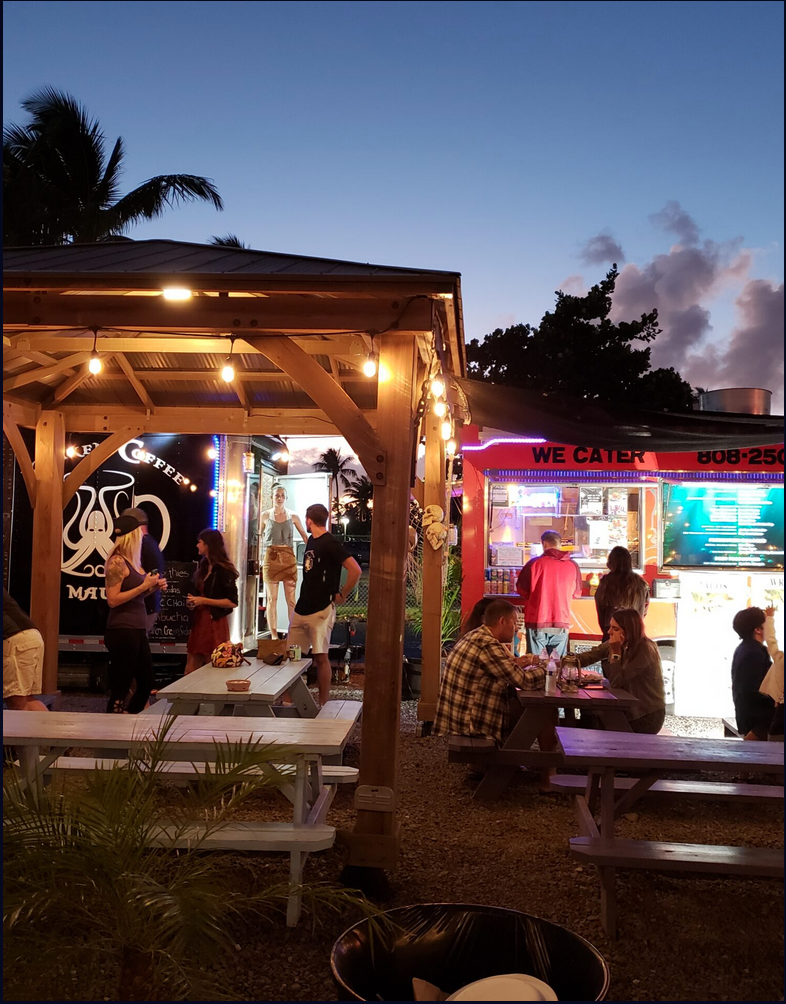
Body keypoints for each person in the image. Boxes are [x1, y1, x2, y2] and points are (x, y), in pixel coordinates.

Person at [434, 599, 556, 791]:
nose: (516, 629)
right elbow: (523, 681)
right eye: (514, 623)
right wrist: (550, 669)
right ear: (502, 621)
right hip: (472, 724)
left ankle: (495, 764)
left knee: (532, 709)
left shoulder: (478, 636)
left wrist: (519, 664)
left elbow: (504, 671)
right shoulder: (487, 645)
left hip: (460, 718)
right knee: (544, 712)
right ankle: (548, 776)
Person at [287, 503, 361, 705]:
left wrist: (342, 594)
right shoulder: (311, 539)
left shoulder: (331, 543)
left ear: (309, 520)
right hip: (302, 607)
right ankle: (287, 701)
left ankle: (323, 702)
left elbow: (355, 569)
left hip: (321, 609)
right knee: (292, 655)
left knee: (321, 656)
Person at [104, 514, 166, 713]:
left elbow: (136, 595)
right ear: (132, 536)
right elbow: (113, 599)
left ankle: (129, 718)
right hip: (122, 629)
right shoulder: (117, 562)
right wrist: (144, 586)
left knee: (147, 682)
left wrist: (153, 587)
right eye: (139, 533)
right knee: (121, 686)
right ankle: (111, 727)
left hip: (137, 628)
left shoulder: (134, 562)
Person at [577, 608, 666, 734]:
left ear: (629, 630)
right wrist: (559, 662)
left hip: (646, 715)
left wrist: (616, 653)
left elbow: (617, 681)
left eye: (615, 629)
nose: (609, 632)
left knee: (597, 715)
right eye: (610, 627)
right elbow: (591, 656)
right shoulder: (618, 642)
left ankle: (604, 750)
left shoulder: (645, 650)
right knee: (587, 711)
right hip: (627, 707)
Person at [516, 530, 582, 658]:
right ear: (559, 544)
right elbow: (577, 594)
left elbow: (522, 591)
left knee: (535, 665)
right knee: (557, 667)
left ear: (544, 544)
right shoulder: (572, 565)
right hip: (561, 621)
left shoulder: (533, 564)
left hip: (537, 621)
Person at [185, 528, 239, 675]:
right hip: (200, 619)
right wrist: (194, 602)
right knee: (192, 660)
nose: (197, 545)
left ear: (208, 545)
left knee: (213, 662)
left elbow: (232, 602)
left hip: (214, 622)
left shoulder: (223, 570)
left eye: (200, 542)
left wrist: (203, 601)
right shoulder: (203, 566)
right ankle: (187, 695)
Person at [260, 484, 308, 640]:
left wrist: (311, 554)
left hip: (288, 558)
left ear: (286, 498)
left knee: (291, 599)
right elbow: (258, 536)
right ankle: (274, 636)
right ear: (272, 497)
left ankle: (292, 633)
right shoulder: (265, 516)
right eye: (277, 495)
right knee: (271, 599)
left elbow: (304, 536)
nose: (279, 498)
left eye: (282, 495)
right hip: (271, 557)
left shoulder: (293, 516)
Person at [731, 606, 775, 741]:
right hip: (758, 721)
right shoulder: (754, 653)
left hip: (750, 716)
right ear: (758, 630)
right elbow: (752, 690)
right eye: (766, 624)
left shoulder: (746, 649)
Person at [120, 506, 165, 635]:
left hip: (143, 608)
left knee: (135, 647)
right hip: (145, 607)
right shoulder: (150, 543)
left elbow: (153, 580)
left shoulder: (143, 545)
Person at [3, 588, 48, 712]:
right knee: (27, 700)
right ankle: (47, 730)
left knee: (18, 704)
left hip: (16, 641)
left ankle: (43, 731)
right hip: (30, 637)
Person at [594, 546, 649, 641]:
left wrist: (607, 629)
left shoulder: (606, 582)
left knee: (612, 655)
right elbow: (644, 609)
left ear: (610, 562)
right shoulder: (641, 583)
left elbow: (600, 608)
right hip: (634, 632)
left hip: (611, 632)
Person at [759, 606, 784, 742]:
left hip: (781, 712)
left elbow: (771, 639)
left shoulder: (781, 659)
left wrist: (769, 618)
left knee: (774, 745)